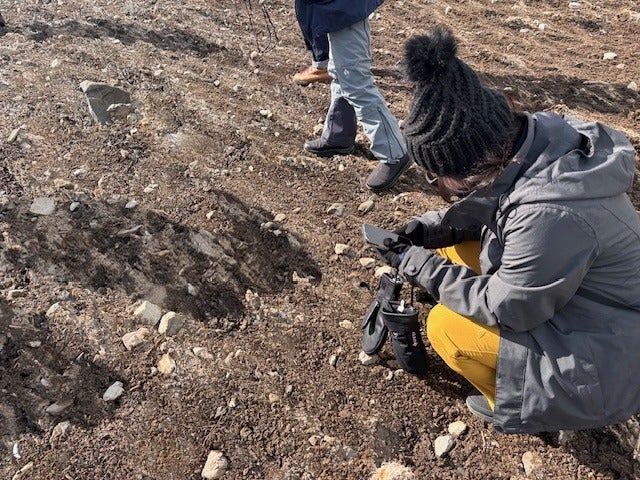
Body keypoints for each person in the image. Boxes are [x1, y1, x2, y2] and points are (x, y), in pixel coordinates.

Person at [377, 26, 640, 434]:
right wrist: (431, 230)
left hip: (611, 343)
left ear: (472, 170)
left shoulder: (547, 213)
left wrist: (421, 268)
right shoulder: (532, 141)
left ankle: (516, 405)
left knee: (446, 328)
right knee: (451, 251)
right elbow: (494, 205)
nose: (436, 185)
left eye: (436, 176)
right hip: (584, 293)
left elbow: (509, 310)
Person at [295, 0, 412, 193]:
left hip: (343, 7)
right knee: (340, 71)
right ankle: (339, 134)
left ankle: (394, 153)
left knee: (356, 81)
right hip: (333, 8)